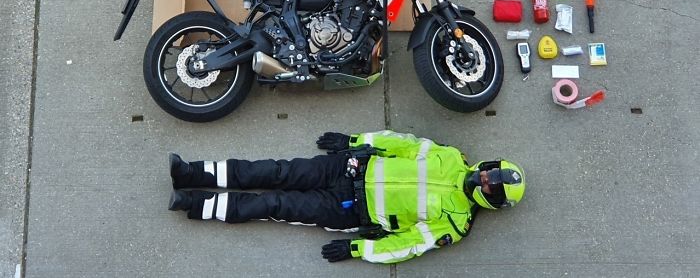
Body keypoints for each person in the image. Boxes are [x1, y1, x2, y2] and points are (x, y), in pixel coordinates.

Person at [168, 130, 525, 263]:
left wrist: (358, 250)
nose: (485, 178)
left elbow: (406, 246)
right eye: (491, 172)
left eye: (492, 185)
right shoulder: (450, 156)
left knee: (272, 204)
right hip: (346, 168)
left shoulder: (455, 225)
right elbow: (401, 144)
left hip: (347, 210)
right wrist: (354, 141)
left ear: (493, 201)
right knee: (273, 171)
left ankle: (194, 204)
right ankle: (191, 173)